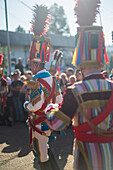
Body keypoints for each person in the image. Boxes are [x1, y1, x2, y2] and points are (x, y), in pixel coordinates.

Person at [45, 1, 113, 170]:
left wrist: (50, 108)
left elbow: (56, 125)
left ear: (80, 62)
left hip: (86, 157)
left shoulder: (75, 91)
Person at [24, 4, 62, 170]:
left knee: (42, 156)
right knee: (45, 151)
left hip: (38, 122)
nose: (30, 66)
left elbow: (35, 105)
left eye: (31, 63)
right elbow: (59, 99)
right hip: (48, 121)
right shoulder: (52, 78)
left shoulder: (36, 79)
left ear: (34, 64)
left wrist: (26, 105)